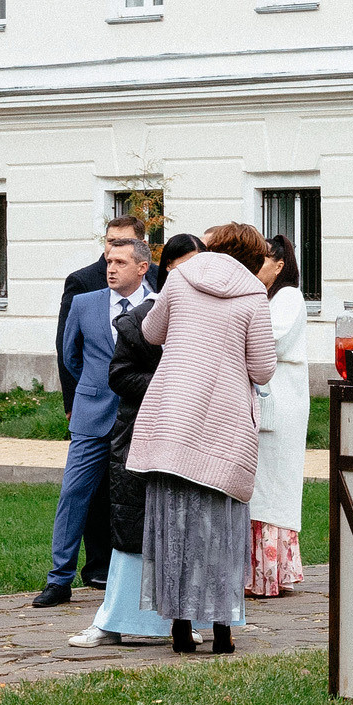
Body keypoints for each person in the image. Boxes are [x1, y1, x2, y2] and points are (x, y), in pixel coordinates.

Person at [128, 224, 276, 655]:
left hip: (175, 416)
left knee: (174, 519)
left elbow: (151, 332)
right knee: (221, 524)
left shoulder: (180, 278)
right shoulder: (253, 294)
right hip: (224, 422)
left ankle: (179, 626)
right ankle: (223, 630)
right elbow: (263, 368)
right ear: (253, 258)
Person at [34, 234, 155, 608]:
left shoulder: (159, 305)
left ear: (142, 267)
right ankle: (59, 579)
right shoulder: (85, 303)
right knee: (74, 494)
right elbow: (70, 357)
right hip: (91, 415)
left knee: (141, 499)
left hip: (140, 415)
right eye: (108, 261)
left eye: (120, 262)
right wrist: (91, 387)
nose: (111, 268)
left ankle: (141, 581)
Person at [69, 265, 182, 647]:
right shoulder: (138, 319)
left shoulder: (212, 316)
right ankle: (113, 618)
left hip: (192, 436)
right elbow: (116, 373)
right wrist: (168, 384)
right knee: (131, 524)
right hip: (138, 435)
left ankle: (187, 619)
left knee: (184, 527)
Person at [247, 234, 309, 599]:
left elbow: (271, 338)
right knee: (258, 484)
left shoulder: (289, 297)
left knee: (272, 486)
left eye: (262, 261)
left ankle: (267, 573)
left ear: (279, 265)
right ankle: (255, 572)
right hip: (266, 397)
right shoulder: (265, 298)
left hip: (281, 401)